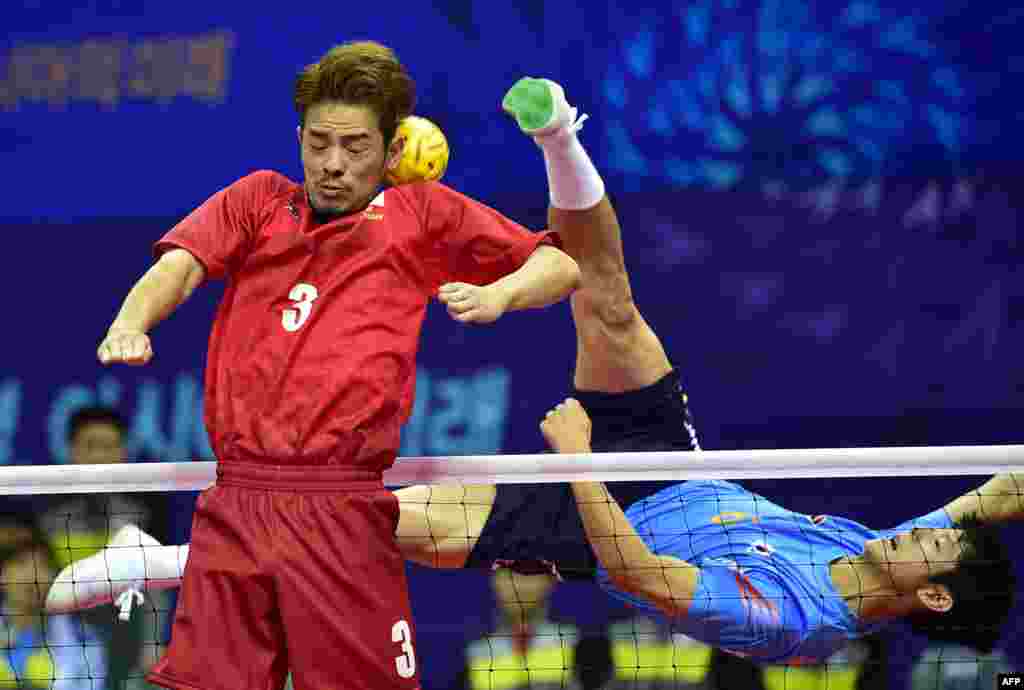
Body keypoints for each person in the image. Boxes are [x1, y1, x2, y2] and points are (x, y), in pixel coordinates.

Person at [50, 79, 1019, 664]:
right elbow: (1001, 490)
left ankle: (162, 562)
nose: (925, 532)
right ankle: (559, 131)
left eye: (930, 549)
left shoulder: (797, 622)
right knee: (608, 294)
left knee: (375, 523)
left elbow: (644, 572)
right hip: (668, 463)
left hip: (599, 527)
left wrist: (577, 460)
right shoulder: (901, 549)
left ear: (927, 596)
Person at [92, 42, 580, 690]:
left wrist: (497, 295)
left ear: (390, 150)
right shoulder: (258, 201)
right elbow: (178, 269)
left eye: (354, 147)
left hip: (342, 508)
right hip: (235, 502)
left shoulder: (422, 214)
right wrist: (130, 322)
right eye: (318, 142)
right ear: (298, 137)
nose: (332, 164)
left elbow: (561, 266)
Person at [38, 406, 166, 690]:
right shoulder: (46, 515)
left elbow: (157, 590)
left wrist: (152, 645)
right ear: (72, 451)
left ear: (124, 453)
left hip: (127, 636)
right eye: (90, 446)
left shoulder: (144, 511)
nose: (99, 456)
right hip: (66, 641)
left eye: (108, 446)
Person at [0, 518, 107, 690]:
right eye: (21, 564)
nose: (32, 575)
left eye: (42, 565)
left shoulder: (84, 639)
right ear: (3, 575)